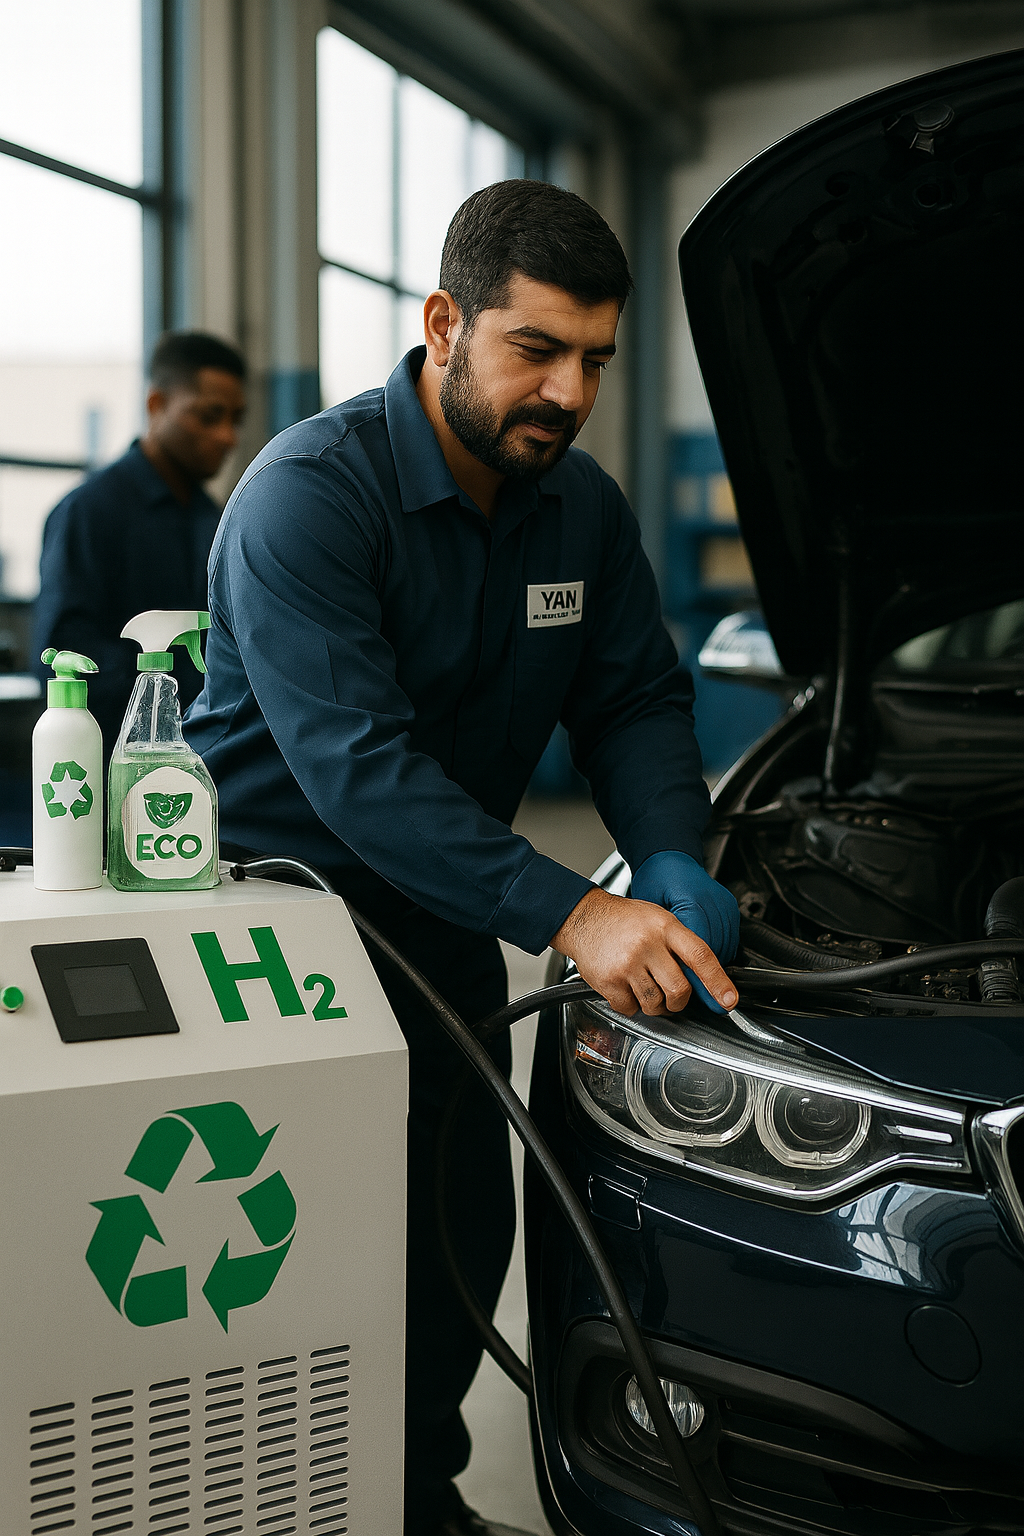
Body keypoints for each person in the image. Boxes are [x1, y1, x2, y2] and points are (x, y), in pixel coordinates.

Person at [184, 180, 739, 1536]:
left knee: (451, 1229)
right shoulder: (312, 498)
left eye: (596, 359)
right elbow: (360, 773)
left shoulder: (582, 514)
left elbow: (633, 703)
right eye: (535, 349)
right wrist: (575, 918)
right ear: (444, 323)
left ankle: (415, 1492)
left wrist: (666, 855)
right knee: (280, 1250)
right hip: (265, 940)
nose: (569, 388)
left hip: (435, 919)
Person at [34, 330, 247, 751]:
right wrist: (171, 684)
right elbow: (63, 657)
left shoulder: (220, 518)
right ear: (157, 405)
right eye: (209, 416)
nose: (227, 436)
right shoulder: (89, 512)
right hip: (113, 769)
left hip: (203, 759)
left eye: (235, 419)